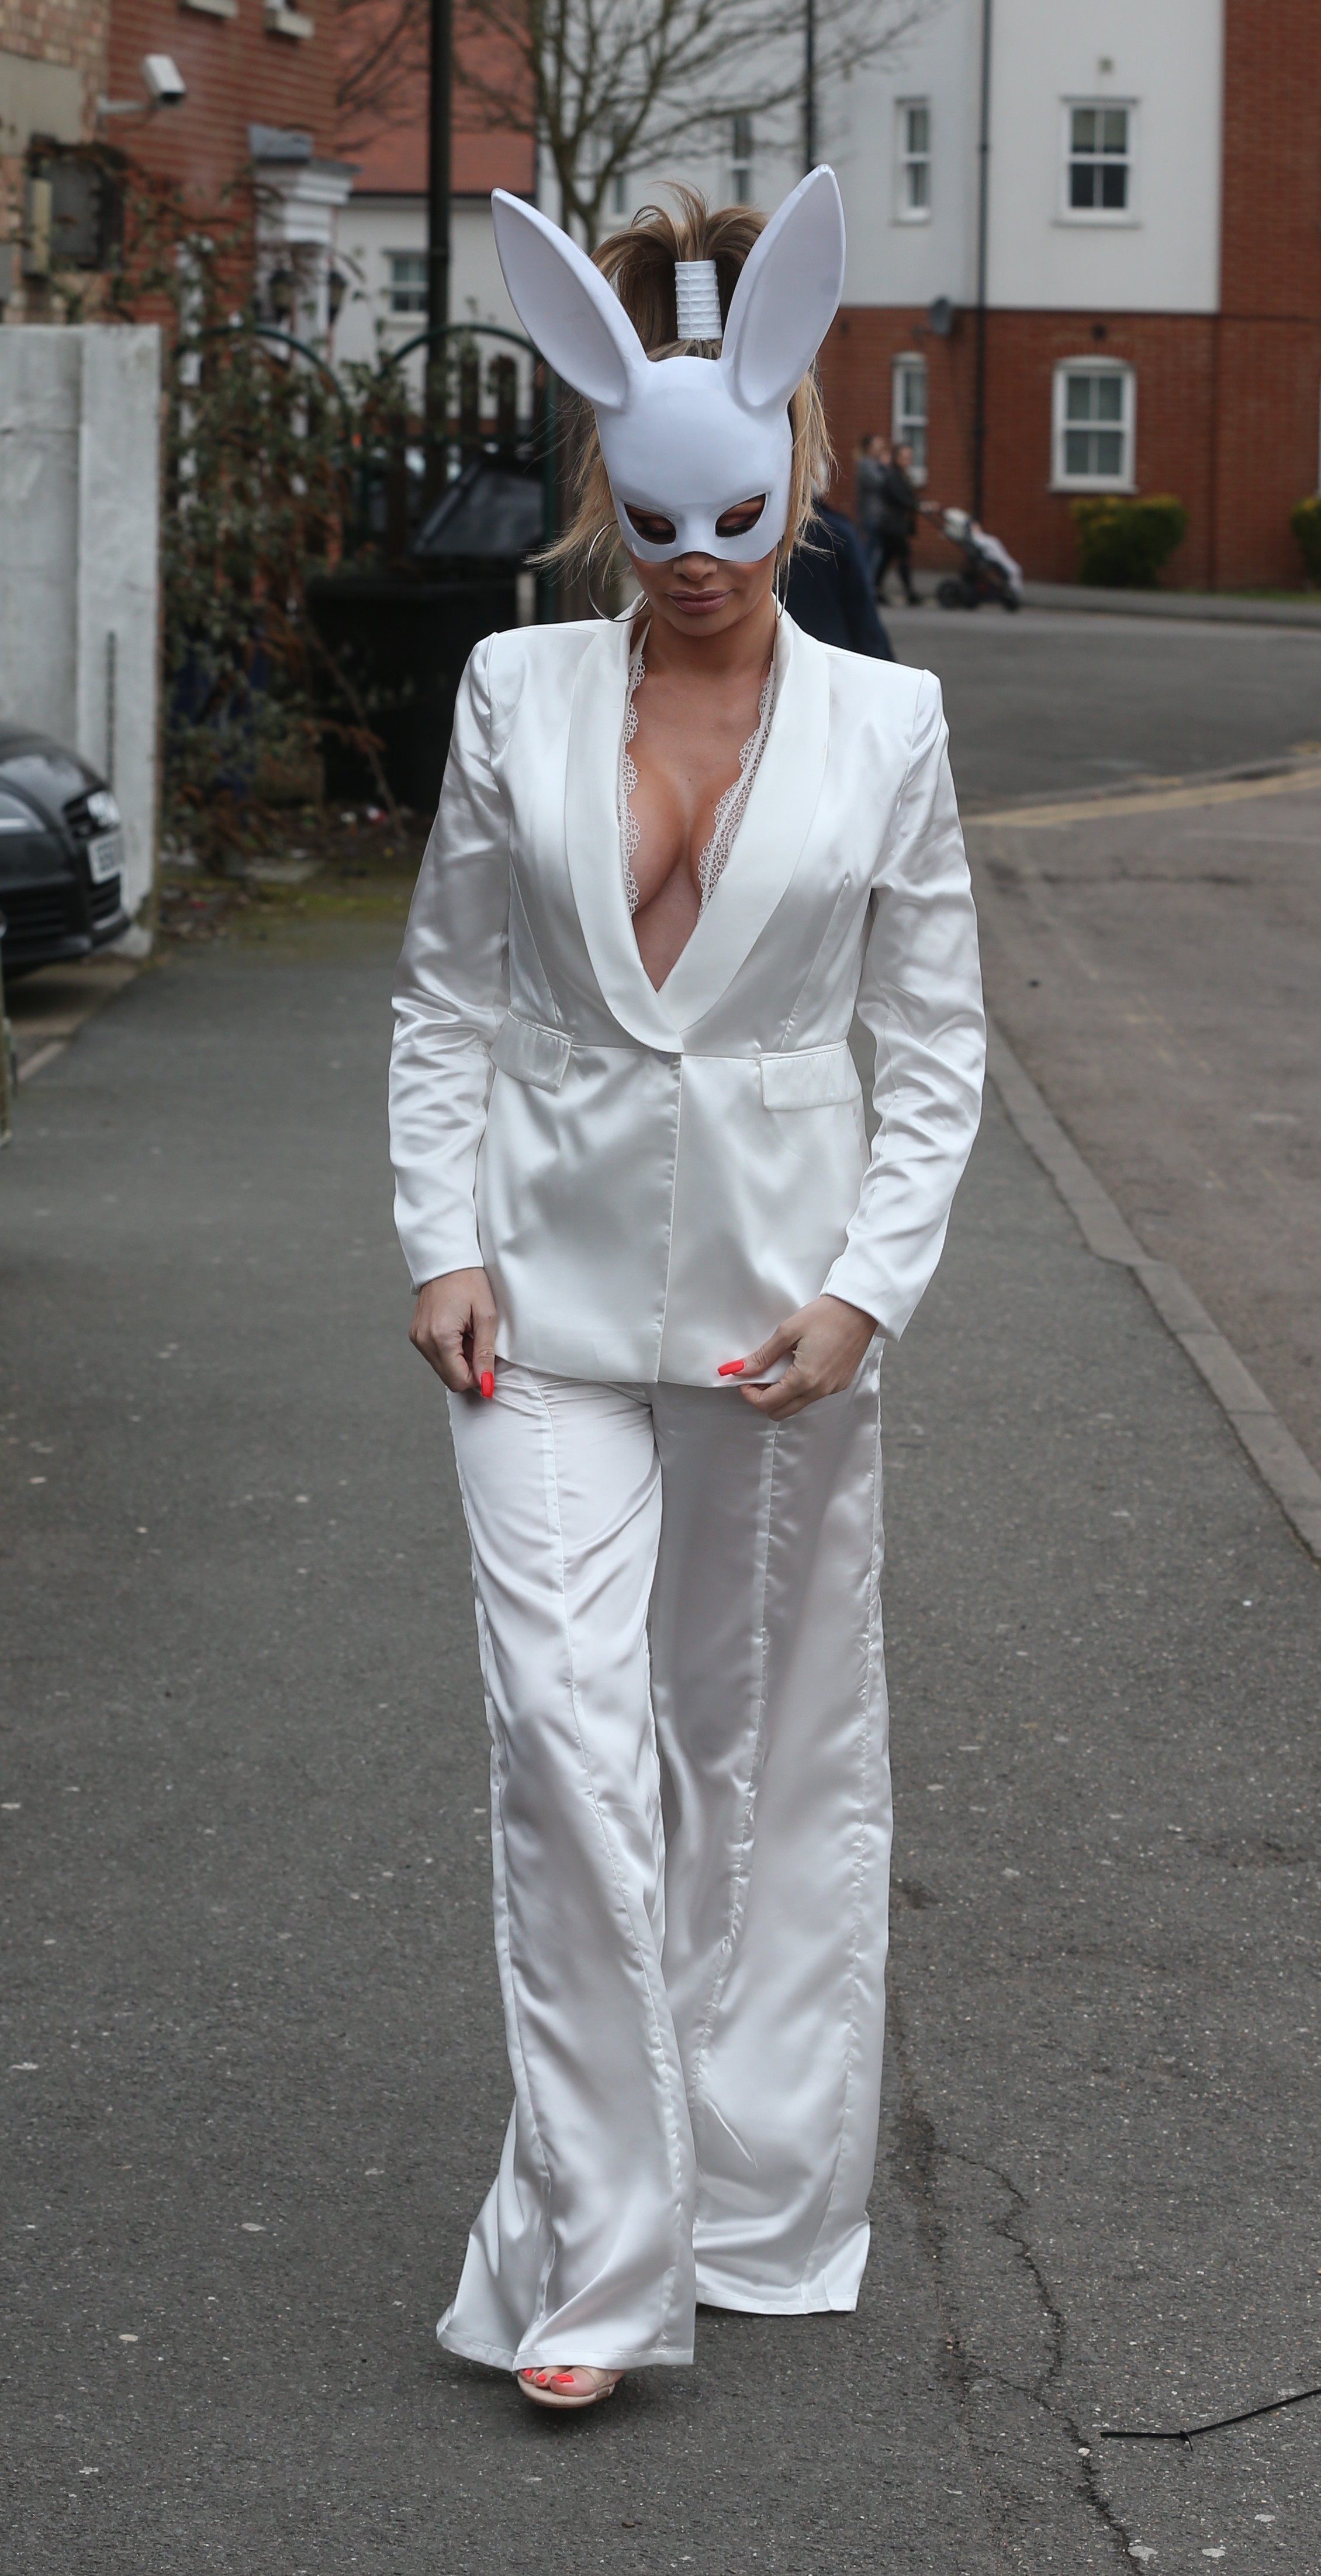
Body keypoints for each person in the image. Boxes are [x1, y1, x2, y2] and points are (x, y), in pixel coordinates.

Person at [389, 170, 984, 2415]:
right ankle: (595, 2255)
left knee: (754, 1767)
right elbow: (448, 995)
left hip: (774, 1333)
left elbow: (931, 1046)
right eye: (656, 521)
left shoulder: (886, 729)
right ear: (605, 491)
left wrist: (866, 1292)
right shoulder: (512, 688)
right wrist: (436, 1236)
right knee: (564, 1747)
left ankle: (749, 2200)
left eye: (732, 515)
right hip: (533, 1312)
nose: (698, 556)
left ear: (791, 473)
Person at [784, 497, 894, 658]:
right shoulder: (837, 532)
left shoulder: (764, 532)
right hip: (831, 652)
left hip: (780, 653)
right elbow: (862, 609)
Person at [876, 440, 922, 605]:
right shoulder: (893, 476)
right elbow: (901, 498)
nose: (907, 461)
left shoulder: (903, 476)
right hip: (892, 526)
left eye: (909, 457)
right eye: (904, 457)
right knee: (903, 556)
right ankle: (910, 592)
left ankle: (875, 588)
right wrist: (917, 505)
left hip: (897, 525)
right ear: (896, 458)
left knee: (887, 559)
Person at [853, 430, 891, 589]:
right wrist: (885, 467)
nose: (880, 450)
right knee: (869, 551)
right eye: (877, 446)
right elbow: (879, 483)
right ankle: (864, 584)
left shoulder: (873, 464)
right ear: (869, 448)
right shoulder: (866, 464)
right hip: (871, 514)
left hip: (879, 515)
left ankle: (869, 583)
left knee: (876, 551)